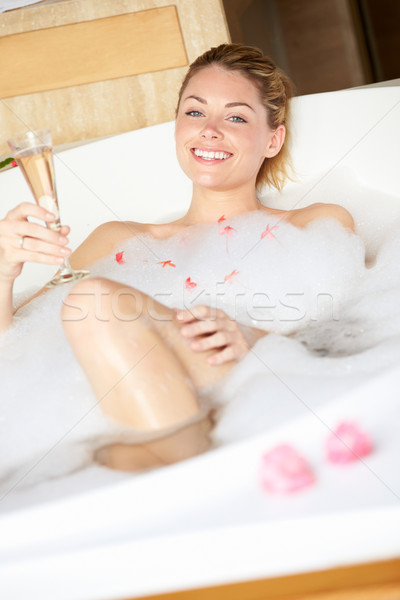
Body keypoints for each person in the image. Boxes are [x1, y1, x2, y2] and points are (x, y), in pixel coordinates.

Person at [0, 44, 355, 478]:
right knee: (116, 455)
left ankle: (193, 479)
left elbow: (348, 335)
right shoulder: (113, 238)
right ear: (175, 126)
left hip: (250, 382)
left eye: (237, 117)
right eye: (194, 112)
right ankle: (192, 473)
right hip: (145, 411)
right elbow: (13, 348)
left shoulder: (317, 224)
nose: (209, 130)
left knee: (91, 300)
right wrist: (4, 269)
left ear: (272, 139)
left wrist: (254, 335)